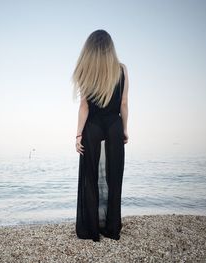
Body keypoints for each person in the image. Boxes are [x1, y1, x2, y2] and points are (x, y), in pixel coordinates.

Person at [72, 29, 129, 242]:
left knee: (90, 178)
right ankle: (112, 227)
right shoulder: (122, 70)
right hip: (114, 125)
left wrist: (78, 135)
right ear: (110, 47)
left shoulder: (86, 71)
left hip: (93, 127)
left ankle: (91, 229)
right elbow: (123, 103)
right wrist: (124, 128)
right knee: (114, 178)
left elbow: (84, 106)